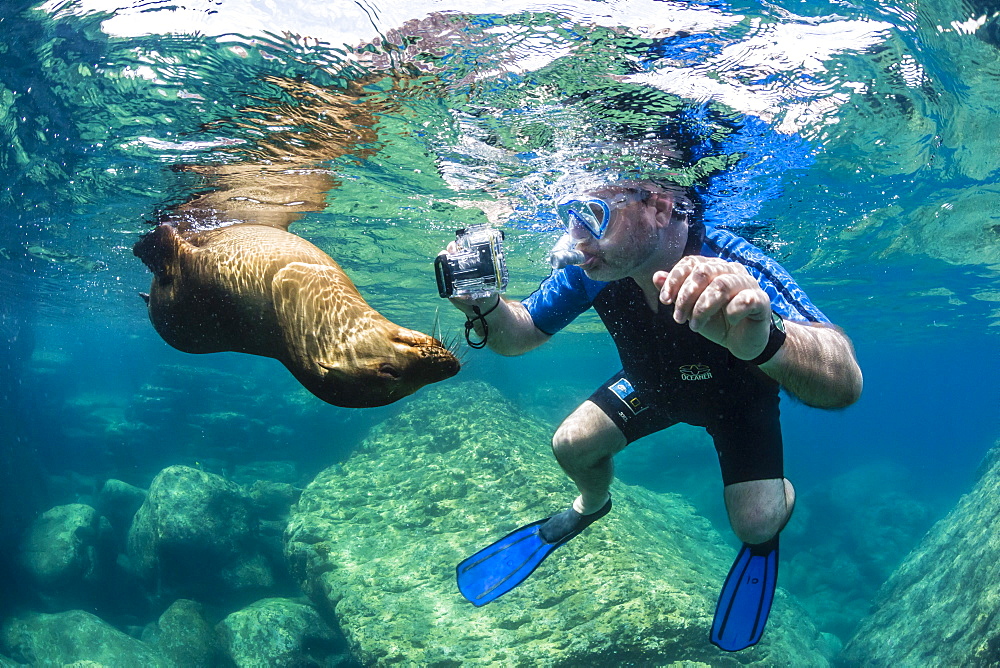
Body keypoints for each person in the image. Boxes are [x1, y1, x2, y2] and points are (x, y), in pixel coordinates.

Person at [447, 176, 863, 651]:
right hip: (652, 389)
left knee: (755, 523)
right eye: (570, 216)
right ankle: (591, 505)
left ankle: (773, 513)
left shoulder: (729, 260)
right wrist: (482, 305)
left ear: (661, 208)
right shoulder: (595, 267)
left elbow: (845, 378)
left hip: (738, 405)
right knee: (570, 446)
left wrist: (769, 338)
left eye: (593, 215)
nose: (575, 237)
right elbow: (519, 334)